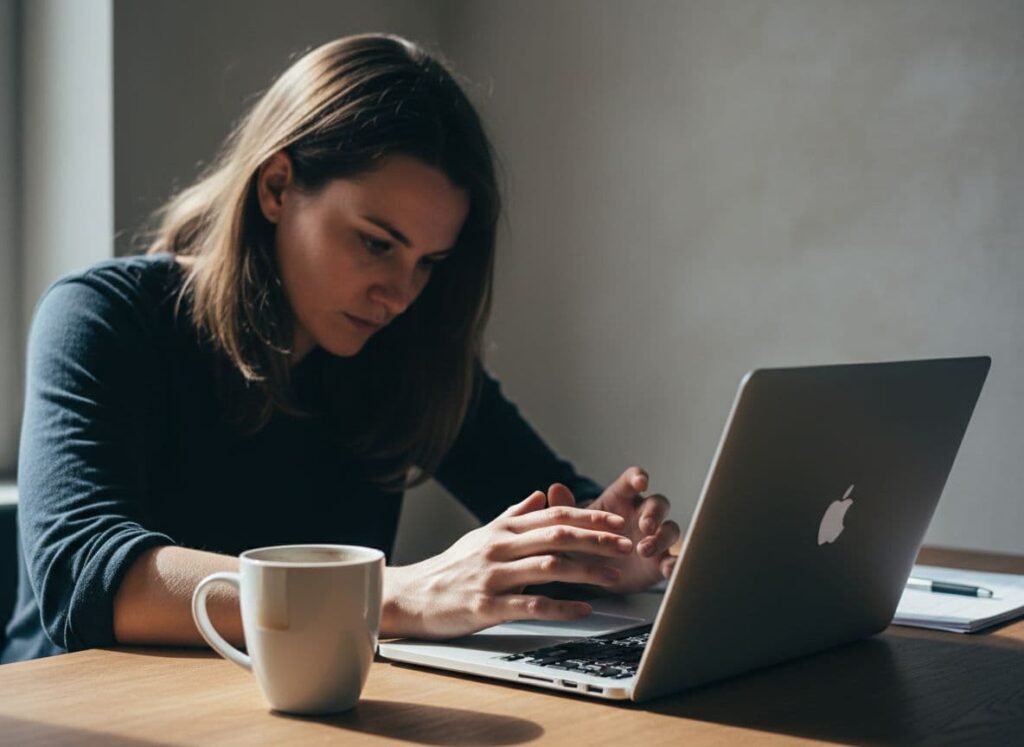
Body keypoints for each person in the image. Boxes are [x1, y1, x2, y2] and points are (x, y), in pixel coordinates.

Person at [1, 33, 680, 664]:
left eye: (428, 262)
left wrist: (608, 548)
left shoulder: (401, 351)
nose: (400, 293)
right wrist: (393, 594)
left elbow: (538, 490)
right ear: (276, 187)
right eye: (376, 243)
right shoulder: (101, 317)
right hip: (82, 716)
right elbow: (82, 576)